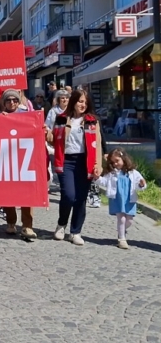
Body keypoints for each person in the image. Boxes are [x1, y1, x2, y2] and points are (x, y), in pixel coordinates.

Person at [49, 89, 105, 246]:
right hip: (66, 161)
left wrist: (98, 165)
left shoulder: (92, 121)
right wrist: (45, 133)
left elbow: (98, 144)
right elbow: (54, 139)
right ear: (73, 101)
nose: (83, 105)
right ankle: (61, 224)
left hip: (84, 161)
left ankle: (75, 232)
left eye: (86, 102)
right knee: (68, 195)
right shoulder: (61, 119)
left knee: (80, 199)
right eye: (80, 101)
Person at [0, 89, 37, 238]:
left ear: (19, 101)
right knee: (8, 193)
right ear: (4, 102)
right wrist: (1, 120)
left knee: (27, 194)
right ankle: (11, 222)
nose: (12, 102)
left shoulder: (27, 115)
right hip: (6, 160)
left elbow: (35, 129)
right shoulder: (0, 116)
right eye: (8, 100)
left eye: (14, 100)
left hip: (24, 159)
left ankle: (27, 226)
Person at [97, 148, 146, 249]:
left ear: (124, 159)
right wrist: (97, 178)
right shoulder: (111, 173)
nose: (115, 164)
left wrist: (142, 184)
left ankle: (122, 230)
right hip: (117, 199)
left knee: (129, 220)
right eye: (112, 162)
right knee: (122, 219)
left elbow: (138, 185)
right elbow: (104, 182)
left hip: (129, 199)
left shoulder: (133, 172)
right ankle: (122, 239)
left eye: (117, 161)